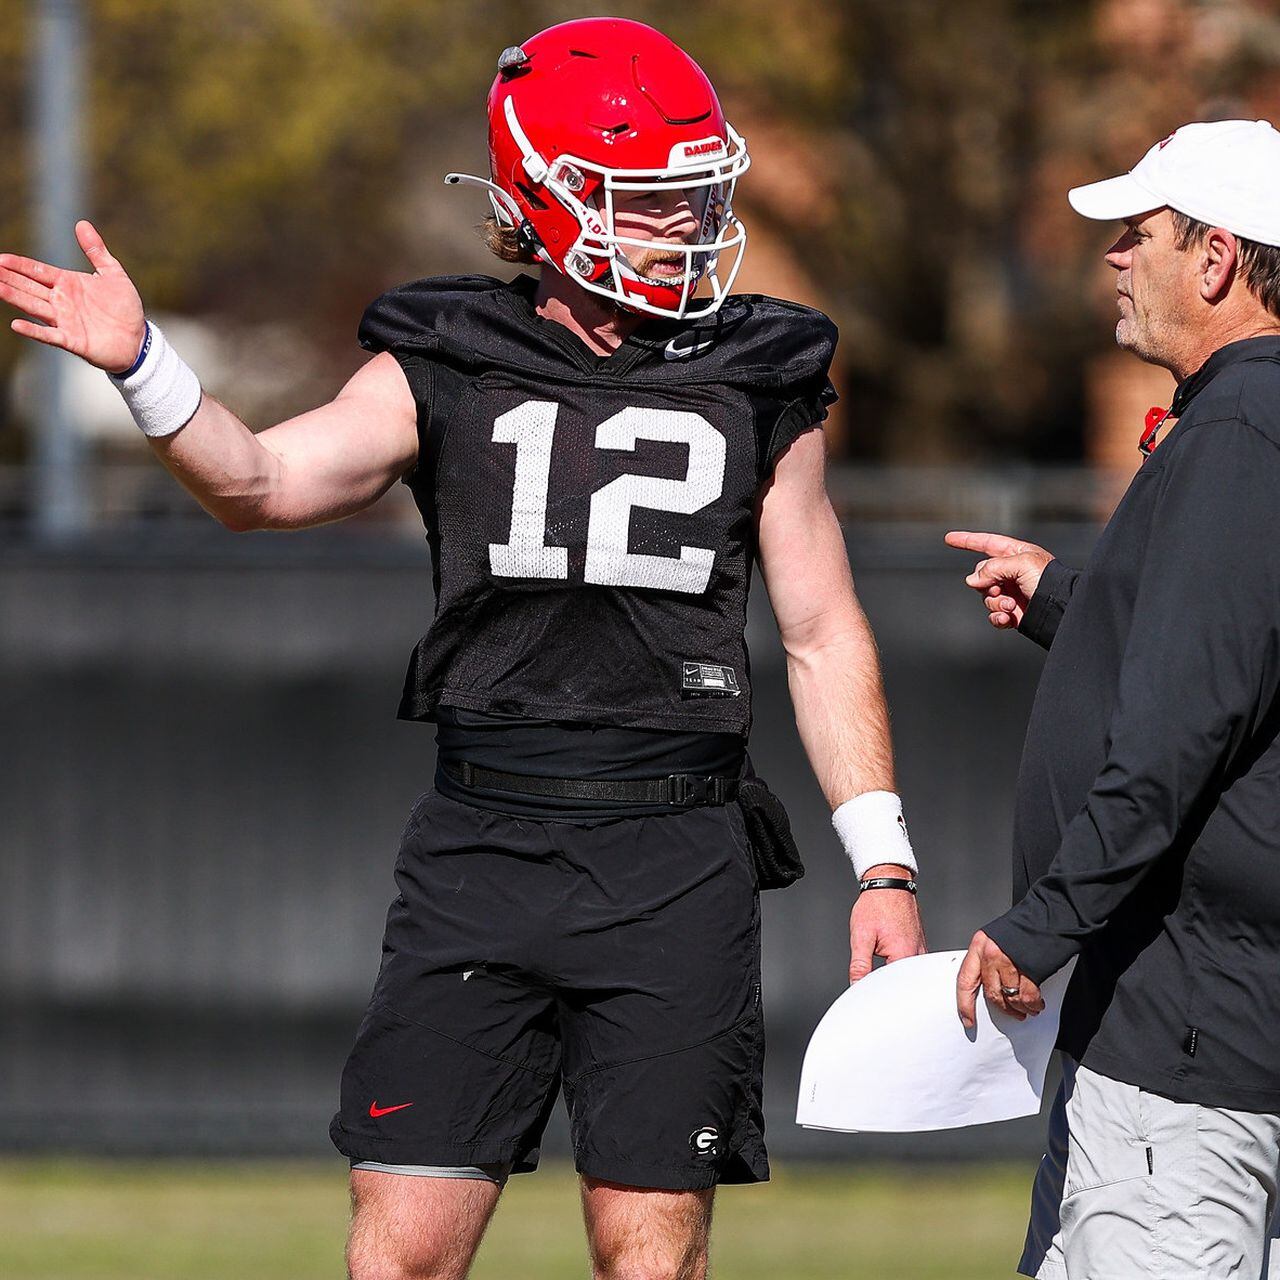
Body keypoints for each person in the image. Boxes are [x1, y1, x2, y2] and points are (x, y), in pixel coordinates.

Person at [0, 18, 925, 1280]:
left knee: (648, 1260)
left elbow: (819, 631)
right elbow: (262, 482)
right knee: (402, 1257)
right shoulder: (448, 352)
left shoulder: (759, 370)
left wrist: (881, 862)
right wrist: (149, 367)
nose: (685, 228)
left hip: (675, 856)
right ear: (544, 199)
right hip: (485, 842)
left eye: (696, 196)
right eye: (648, 201)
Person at [948, 119, 1280, 1279]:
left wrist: (1042, 921)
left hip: (1186, 1041)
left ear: (1215, 259)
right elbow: (1230, 651)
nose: (1110, 257)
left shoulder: (1240, 429)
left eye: (1136, 234)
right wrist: (1068, 603)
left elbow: (1182, 727)